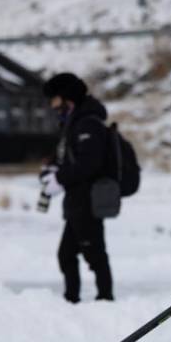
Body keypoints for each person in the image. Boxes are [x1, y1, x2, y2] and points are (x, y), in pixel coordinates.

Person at [40, 73, 115, 303]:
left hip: (88, 200)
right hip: (77, 200)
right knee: (67, 255)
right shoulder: (73, 122)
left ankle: (104, 299)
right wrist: (51, 170)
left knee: (94, 254)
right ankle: (71, 300)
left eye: (54, 99)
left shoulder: (88, 123)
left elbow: (88, 163)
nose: (53, 105)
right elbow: (66, 155)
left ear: (66, 98)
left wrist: (60, 178)